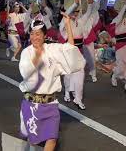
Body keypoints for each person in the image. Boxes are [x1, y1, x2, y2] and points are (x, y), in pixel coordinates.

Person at [19, 12, 85, 151]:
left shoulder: (52, 49)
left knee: (52, 139)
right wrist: (37, 55)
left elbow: (70, 50)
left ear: (44, 36)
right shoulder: (26, 52)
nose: (34, 37)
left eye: (38, 34)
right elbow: (26, 73)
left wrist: (68, 25)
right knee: (34, 144)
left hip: (51, 105)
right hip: (33, 105)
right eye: (32, 33)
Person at [59, 0, 93, 109]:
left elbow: (88, 14)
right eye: (74, 11)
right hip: (68, 53)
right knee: (68, 76)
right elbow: (67, 14)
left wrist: (89, 4)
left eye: (77, 11)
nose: (75, 14)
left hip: (79, 52)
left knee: (80, 75)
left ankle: (78, 99)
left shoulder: (81, 21)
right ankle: (67, 92)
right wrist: (75, 3)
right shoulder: (64, 22)